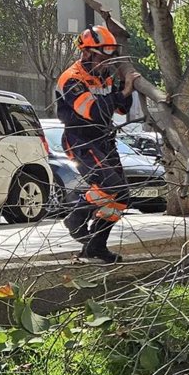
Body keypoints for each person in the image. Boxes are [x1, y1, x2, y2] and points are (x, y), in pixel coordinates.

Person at [57, 25, 141, 262]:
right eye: (101, 57)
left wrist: (127, 86)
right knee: (109, 185)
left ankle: (96, 245)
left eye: (108, 58)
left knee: (122, 197)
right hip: (81, 139)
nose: (105, 62)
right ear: (87, 53)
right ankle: (76, 218)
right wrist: (123, 91)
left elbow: (121, 108)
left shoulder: (106, 76)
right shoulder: (71, 79)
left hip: (105, 139)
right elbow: (93, 111)